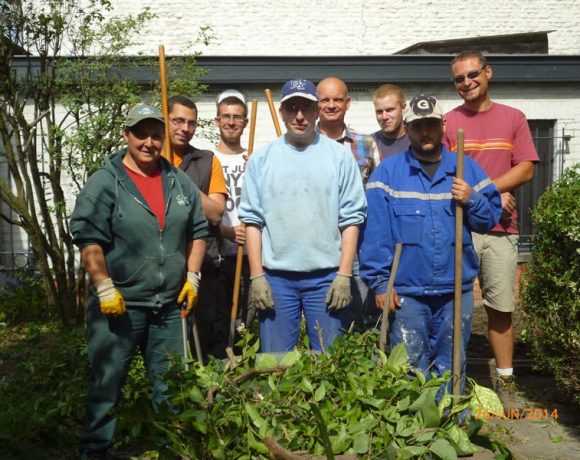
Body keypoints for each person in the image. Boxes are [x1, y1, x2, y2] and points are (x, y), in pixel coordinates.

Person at [70, 103, 208, 458]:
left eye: (155, 134)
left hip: (168, 307)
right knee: (107, 388)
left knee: (172, 390)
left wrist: (192, 277)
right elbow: (89, 239)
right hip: (119, 307)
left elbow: (198, 231)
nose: (149, 142)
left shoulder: (178, 181)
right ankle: (95, 451)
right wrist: (103, 286)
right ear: (126, 135)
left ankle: (171, 451)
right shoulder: (106, 182)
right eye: (140, 134)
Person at [359, 95, 502, 387]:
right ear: (407, 128)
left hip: (454, 288)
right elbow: (376, 235)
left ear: (443, 126)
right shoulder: (388, 173)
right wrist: (380, 284)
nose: (425, 132)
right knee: (409, 365)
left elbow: (489, 219)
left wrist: (471, 198)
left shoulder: (466, 169)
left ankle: (452, 425)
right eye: (418, 126)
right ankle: (414, 430)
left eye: (431, 125)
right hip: (407, 292)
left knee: (452, 363)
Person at [239, 79, 366, 352]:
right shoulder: (262, 160)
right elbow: (252, 221)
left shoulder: (339, 158)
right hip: (276, 279)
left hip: (326, 279)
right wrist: (257, 276)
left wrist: (344, 275)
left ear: (317, 110)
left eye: (306, 108)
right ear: (282, 112)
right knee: (275, 363)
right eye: (292, 107)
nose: (299, 116)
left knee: (329, 363)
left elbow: (352, 219)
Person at [443, 50, 539, 407]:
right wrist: (490, 195)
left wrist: (489, 192)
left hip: (501, 227)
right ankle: (454, 378)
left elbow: (526, 169)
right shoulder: (449, 122)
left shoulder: (513, 117)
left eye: (472, 74)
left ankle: (506, 380)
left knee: (500, 307)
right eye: (459, 79)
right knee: (453, 304)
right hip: (460, 227)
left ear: (488, 73)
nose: (466, 82)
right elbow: (444, 173)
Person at [167, 95, 229, 359]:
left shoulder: (206, 161)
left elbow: (215, 212)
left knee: (204, 338)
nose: (185, 128)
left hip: (202, 264)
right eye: (178, 121)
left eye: (191, 123)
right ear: (165, 120)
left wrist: (178, 179)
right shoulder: (146, 157)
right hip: (163, 265)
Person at [316, 76, 380, 331]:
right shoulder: (301, 145)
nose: (331, 105)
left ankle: (365, 360)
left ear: (348, 103)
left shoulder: (365, 145)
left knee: (363, 307)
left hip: (359, 241)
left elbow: (377, 193)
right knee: (325, 311)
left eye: (337, 99)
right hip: (318, 241)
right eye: (325, 100)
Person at [212, 89, 254, 334]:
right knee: (219, 323)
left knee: (246, 325)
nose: (231, 122)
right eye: (225, 116)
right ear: (217, 121)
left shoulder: (254, 160)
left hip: (250, 256)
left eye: (237, 117)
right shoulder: (207, 160)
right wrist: (225, 231)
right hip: (217, 257)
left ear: (245, 122)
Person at [372, 84, 409, 160]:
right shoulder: (369, 144)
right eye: (379, 112)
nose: (384, 117)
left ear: (403, 108)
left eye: (390, 110)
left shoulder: (418, 141)